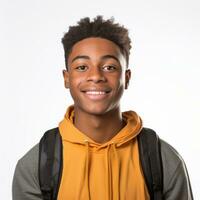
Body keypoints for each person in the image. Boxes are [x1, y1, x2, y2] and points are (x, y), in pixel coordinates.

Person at [12, 16, 193, 200]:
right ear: (66, 78)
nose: (96, 76)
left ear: (127, 77)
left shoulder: (164, 160)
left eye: (109, 67)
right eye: (82, 67)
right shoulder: (35, 166)